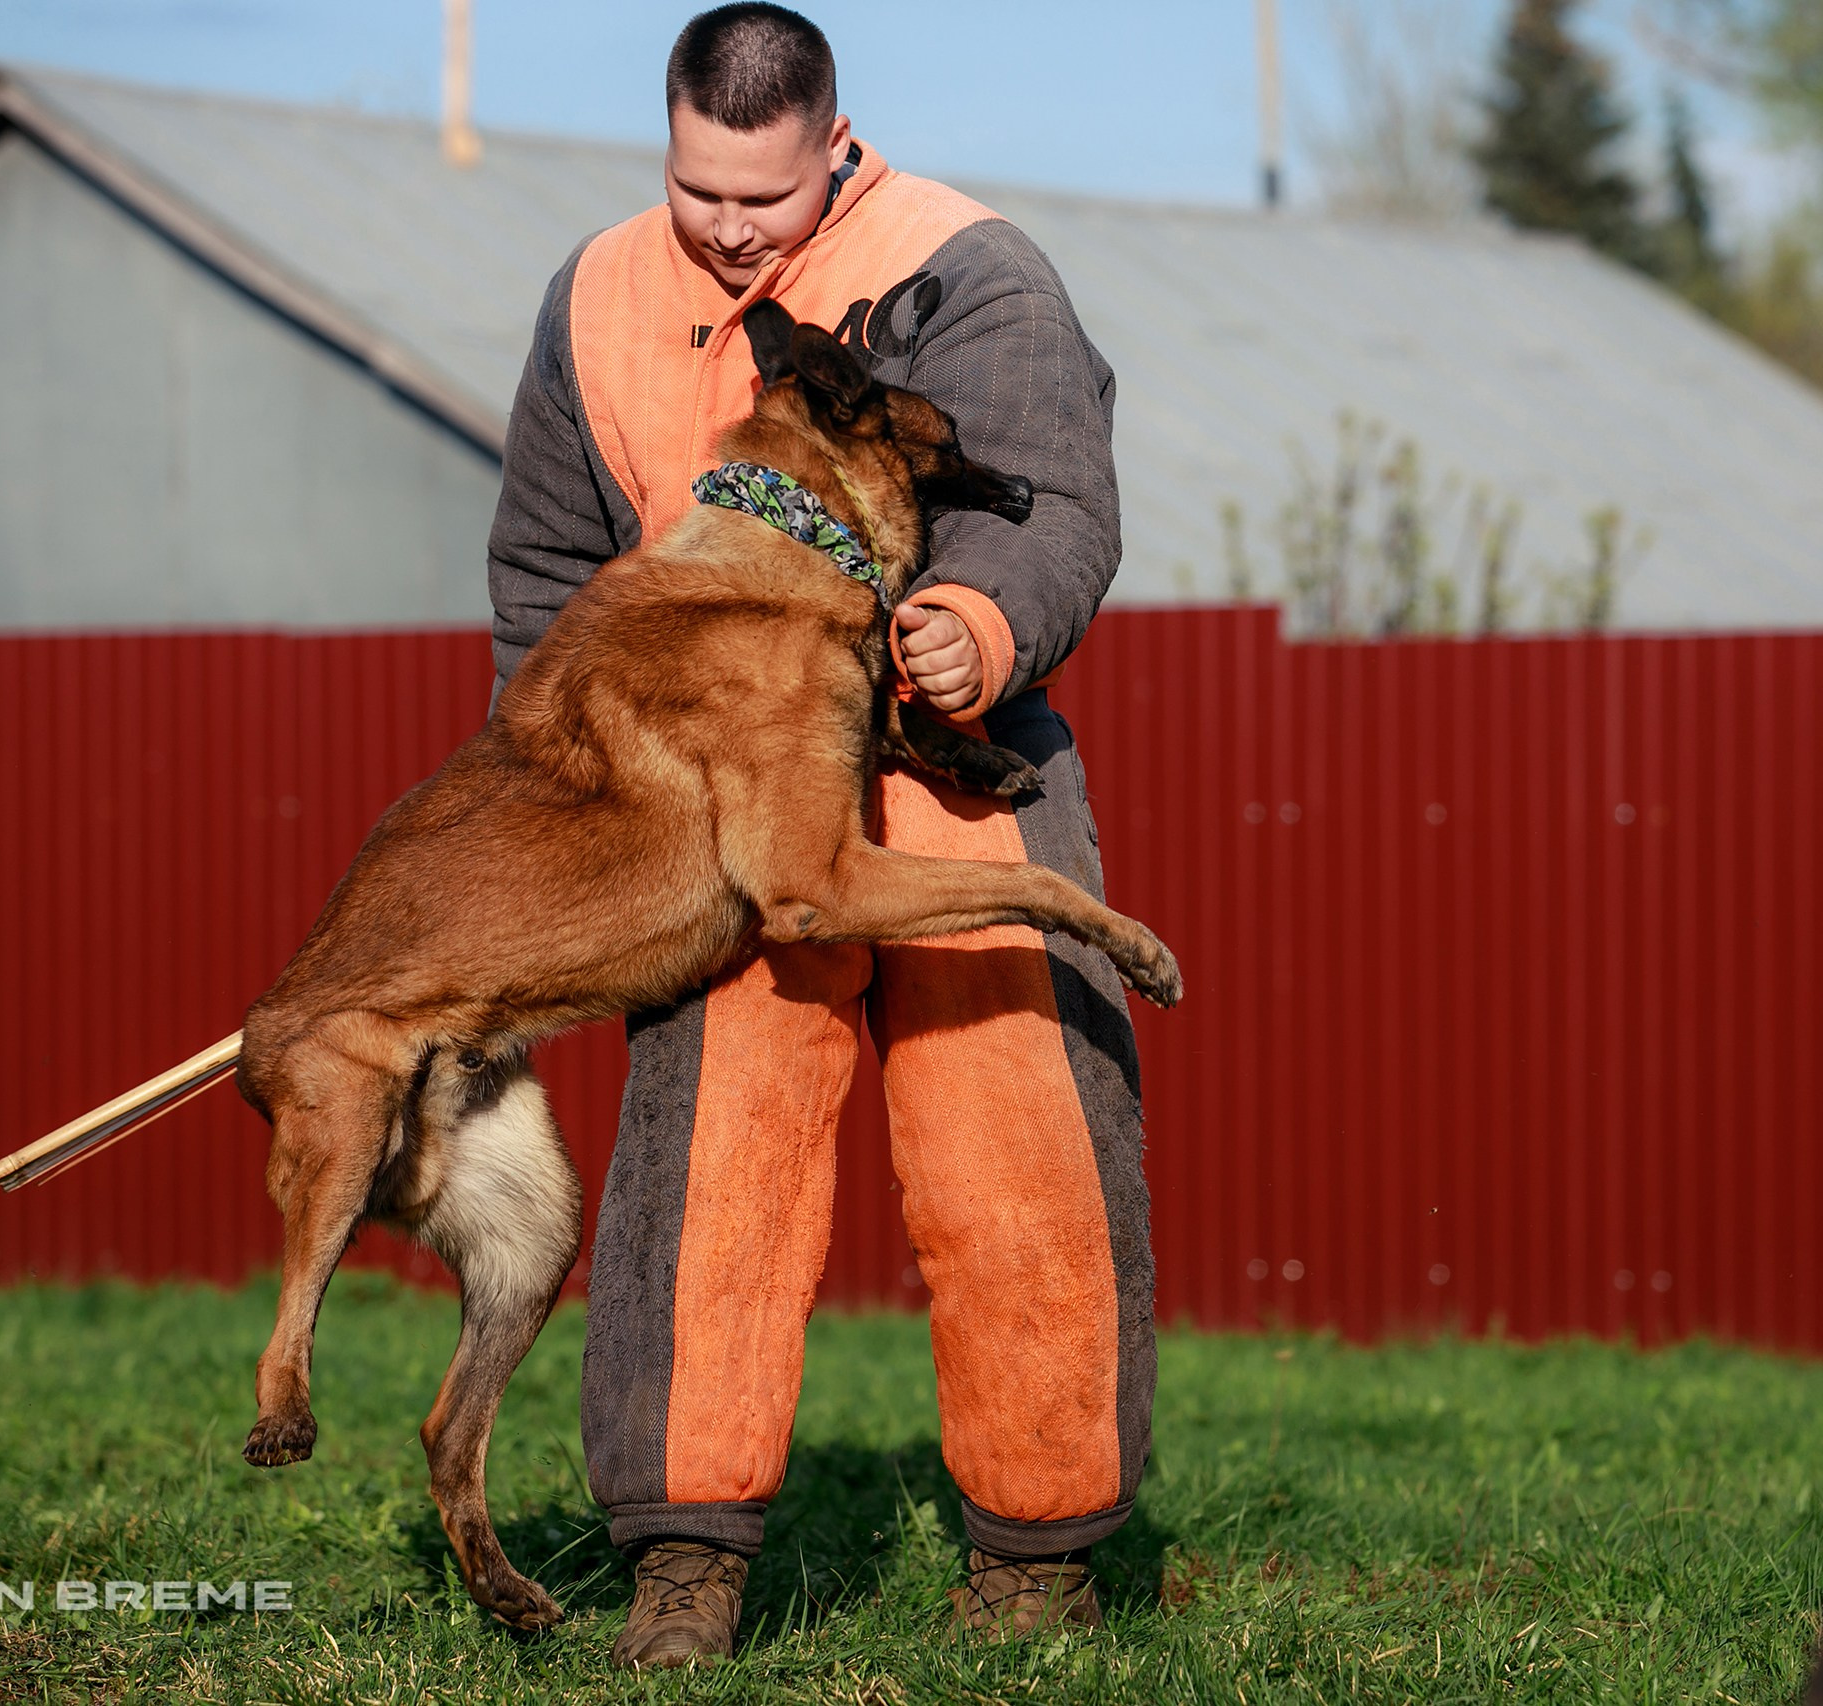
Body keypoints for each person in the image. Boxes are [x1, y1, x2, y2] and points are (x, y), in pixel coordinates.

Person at [486, 3, 1154, 1669]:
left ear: (833, 145)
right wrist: (559, 780)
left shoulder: (966, 269)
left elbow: (1048, 494)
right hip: (711, 803)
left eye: (762, 198)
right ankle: (685, 1560)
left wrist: (979, 626)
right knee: (710, 1166)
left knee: (1017, 1154)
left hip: (953, 768)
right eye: (697, 188)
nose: (725, 227)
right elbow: (547, 570)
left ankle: (1039, 1555)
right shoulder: (595, 294)